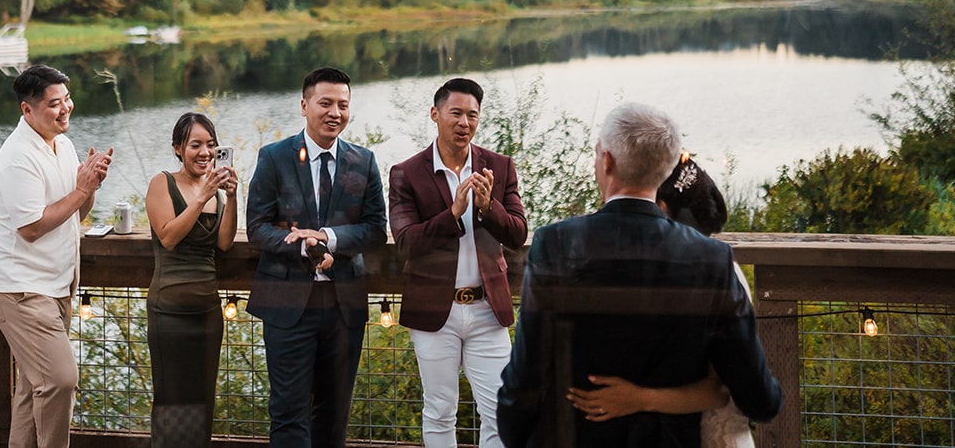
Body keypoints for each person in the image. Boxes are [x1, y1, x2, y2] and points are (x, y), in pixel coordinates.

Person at [494, 102, 781, 448]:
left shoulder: (555, 243)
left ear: (608, 161)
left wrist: (516, 437)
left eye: (598, 151)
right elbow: (760, 400)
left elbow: (526, 375)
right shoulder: (712, 260)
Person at [565, 154, 756, 448]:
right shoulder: (715, 266)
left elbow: (718, 390)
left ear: (663, 209)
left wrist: (637, 398)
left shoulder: (711, 276)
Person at [245, 65, 387, 448]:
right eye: (325, 103)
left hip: (344, 305)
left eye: (343, 105)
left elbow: (376, 228)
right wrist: (302, 245)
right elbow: (256, 228)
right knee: (289, 412)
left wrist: (328, 238)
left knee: (334, 411)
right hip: (287, 303)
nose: (335, 113)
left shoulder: (364, 161)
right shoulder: (274, 157)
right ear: (304, 105)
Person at [388, 77, 528, 448]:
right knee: (439, 410)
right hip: (435, 311)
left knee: (500, 410)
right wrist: (452, 214)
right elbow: (405, 244)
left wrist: (487, 208)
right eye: (455, 113)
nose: (464, 122)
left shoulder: (499, 166)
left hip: (486, 309)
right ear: (435, 114)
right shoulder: (407, 173)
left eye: (472, 115)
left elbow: (517, 234)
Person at [0, 64, 113, 448]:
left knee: (31, 389)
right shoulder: (17, 156)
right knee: (59, 379)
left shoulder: (64, 144)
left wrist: (91, 185)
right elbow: (32, 227)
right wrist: (80, 188)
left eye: (67, 99)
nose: (65, 108)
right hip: (19, 288)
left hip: (56, 287)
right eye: (55, 103)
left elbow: (79, 212)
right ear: (28, 110)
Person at [144, 111, 238, 446]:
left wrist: (232, 195)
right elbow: (168, 236)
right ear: (177, 149)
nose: (205, 153)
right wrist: (201, 196)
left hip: (208, 313)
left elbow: (225, 243)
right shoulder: (162, 183)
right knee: (172, 403)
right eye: (195, 145)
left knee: (202, 401)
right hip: (169, 312)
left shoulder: (215, 191)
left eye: (211, 145)